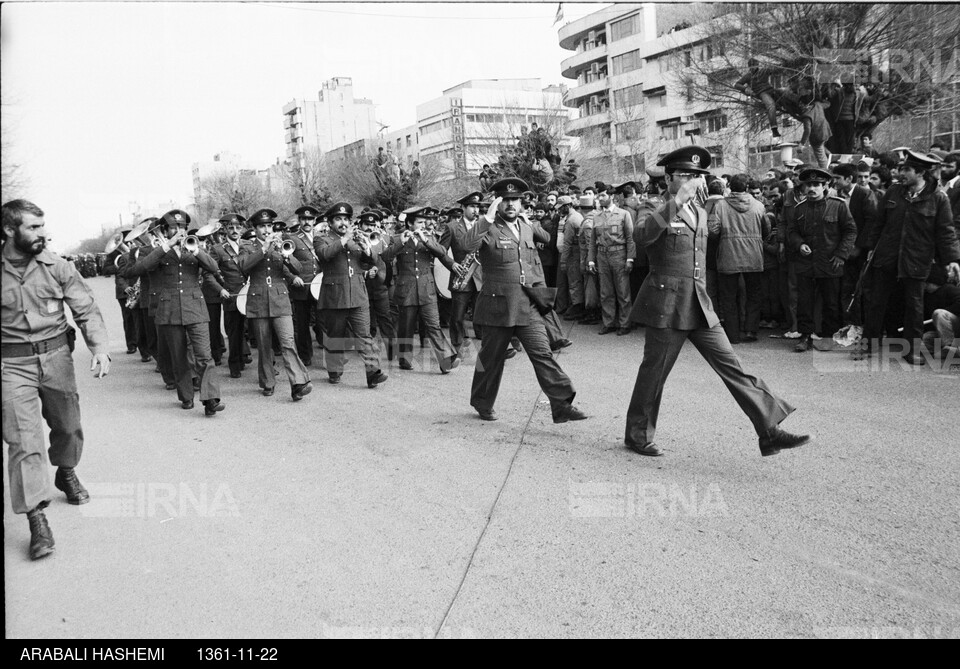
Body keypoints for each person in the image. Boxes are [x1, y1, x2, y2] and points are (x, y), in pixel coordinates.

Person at [623, 147, 808, 458]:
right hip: (667, 305)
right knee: (654, 373)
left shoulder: (702, 210)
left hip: (698, 303)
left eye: (697, 176)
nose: (694, 181)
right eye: (686, 176)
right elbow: (642, 237)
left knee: (733, 367)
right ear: (668, 178)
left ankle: (769, 431)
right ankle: (637, 435)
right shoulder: (652, 207)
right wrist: (677, 200)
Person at [2, 199, 111, 560]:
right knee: (23, 439)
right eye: (33, 227)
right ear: (9, 230)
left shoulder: (57, 266)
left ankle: (66, 471)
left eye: (42, 225)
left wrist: (99, 347)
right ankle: (36, 517)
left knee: (67, 425)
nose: (42, 233)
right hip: (11, 365)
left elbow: (85, 306)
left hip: (56, 358)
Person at [461, 178, 587, 423]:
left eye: (515, 200)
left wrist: (543, 296)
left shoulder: (526, 226)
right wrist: (485, 219)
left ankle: (561, 403)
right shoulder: (488, 226)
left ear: (521, 202)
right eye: (505, 200)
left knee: (543, 353)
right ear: (497, 203)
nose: (511, 204)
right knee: (491, 359)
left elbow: (540, 250)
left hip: (526, 304)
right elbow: (466, 244)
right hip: (498, 305)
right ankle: (482, 402)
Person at [860, 150, 960, 364]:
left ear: (921, 173)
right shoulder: (894, 192)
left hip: (917, 261)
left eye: (906, 170)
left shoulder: (938, 197)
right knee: (876, 303)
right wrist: (871, 248)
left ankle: (912, 350)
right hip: (886, 257)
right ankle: (867, 346)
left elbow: (946, 231)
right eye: (901, 168)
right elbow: (879, 223)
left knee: (914, 305)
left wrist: (952, 260)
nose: (900, 173)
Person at [126, 210, 225, 415]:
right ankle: (186, 396)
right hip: (169, 309)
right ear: (165, 229)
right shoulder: (154, 250)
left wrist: (197, 250)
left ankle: (210, 398)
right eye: (173, 227)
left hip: (195, 307)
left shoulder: (194, 247)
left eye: (181, 227)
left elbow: (214, 267)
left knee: (205, 356)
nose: (178, 231)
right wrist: (166, 246)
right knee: (178, 356)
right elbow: (140, 269)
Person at [238, 209, 312, 400]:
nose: (266, 230)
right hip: (258, 299)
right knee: (264, 346)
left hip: (280, 300)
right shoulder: (247, 245)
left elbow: (298, 268)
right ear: (255, 228)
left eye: (269, 226)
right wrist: (263, 249)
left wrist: (286, 255)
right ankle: (267, 382)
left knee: (288, 342)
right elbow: (244, 267)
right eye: (262, 226)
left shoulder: (280, 245)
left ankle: (298, 383)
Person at [314, 202, 388, 387]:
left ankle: (373, 373)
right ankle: (334, 371)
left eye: (346, 219)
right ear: (330, 223)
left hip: (357, 292)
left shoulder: (356, 238)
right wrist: (345, 239)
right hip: (335, 294)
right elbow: (325, 255)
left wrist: (367, 249)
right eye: (338, 219)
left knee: (364, 335)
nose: (343, 223)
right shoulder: (321, 239)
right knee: (335, 336)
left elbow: (371, 261)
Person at [381, 206, 460, 374]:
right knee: (406, 327)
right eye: (420, 222)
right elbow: (386, 257)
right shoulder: (397, 238)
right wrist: (401, 242)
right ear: (410, 223)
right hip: (406, 289)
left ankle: (445, 359)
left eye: (424, 222)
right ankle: (404, 358)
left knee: (434, 325)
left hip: (427, 288)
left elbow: (442, 253)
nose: (424, 225)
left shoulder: (430, 238)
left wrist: (426, 240)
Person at [787, 168, 857, 351]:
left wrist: (841, 254)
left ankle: (828, 336)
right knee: (804, 302)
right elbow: (791, 232)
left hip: (830, 262)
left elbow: (850, 231)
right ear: (803, 187)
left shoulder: (838, 205)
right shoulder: (799, 209)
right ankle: (805, 337)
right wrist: (799, 244)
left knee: (831, 303)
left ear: (824, 186)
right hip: (806, 263)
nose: (812, 188)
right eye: (808, 185)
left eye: (816, 184)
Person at [708, 174, 770, 344]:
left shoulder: (720, 205)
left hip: (728, 256)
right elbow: (766, 230)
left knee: (728, 297)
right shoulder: (758, 205)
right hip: (754, 256)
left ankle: (732, 335)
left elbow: (712, 231)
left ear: (730, 186)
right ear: (747, 187)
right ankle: (751, 330)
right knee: (754, 295)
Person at [440, 192, 485, 359]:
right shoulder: (452, 227)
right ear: (464, 208)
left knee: (483, 314)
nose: (475, 210)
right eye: (472, 206)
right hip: (461, 277)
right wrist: (452, 264)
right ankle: (457, 348)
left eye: (478, 207)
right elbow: (440, 251)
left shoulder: (483, 225)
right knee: (458, 316)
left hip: (481, 276)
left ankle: (489, 348)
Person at [587, 182, 635, 335]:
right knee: (605, 292)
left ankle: (625, 323)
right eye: (599, 195)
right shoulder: (597, 217)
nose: (599, 198)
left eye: (602, 195)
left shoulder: (623, 214)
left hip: (619, 255)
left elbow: (630, 238)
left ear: (612, 197)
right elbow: (592, 242)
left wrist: (630, 259)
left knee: (623, 292)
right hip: (602, 256)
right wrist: (591, 260)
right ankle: (609, 322)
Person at [285, 206, 323, 367]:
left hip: (321, 286)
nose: (307, 222)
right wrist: (293, 277)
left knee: (324, 321)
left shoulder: (322, 237)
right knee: (302, 323)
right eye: (303, 219)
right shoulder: (291, 238)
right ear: (299, 221)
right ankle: (305, 355)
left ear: (314, 220)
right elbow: (284, 262)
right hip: (301, 287)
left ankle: (329, 355)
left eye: (310, 219)